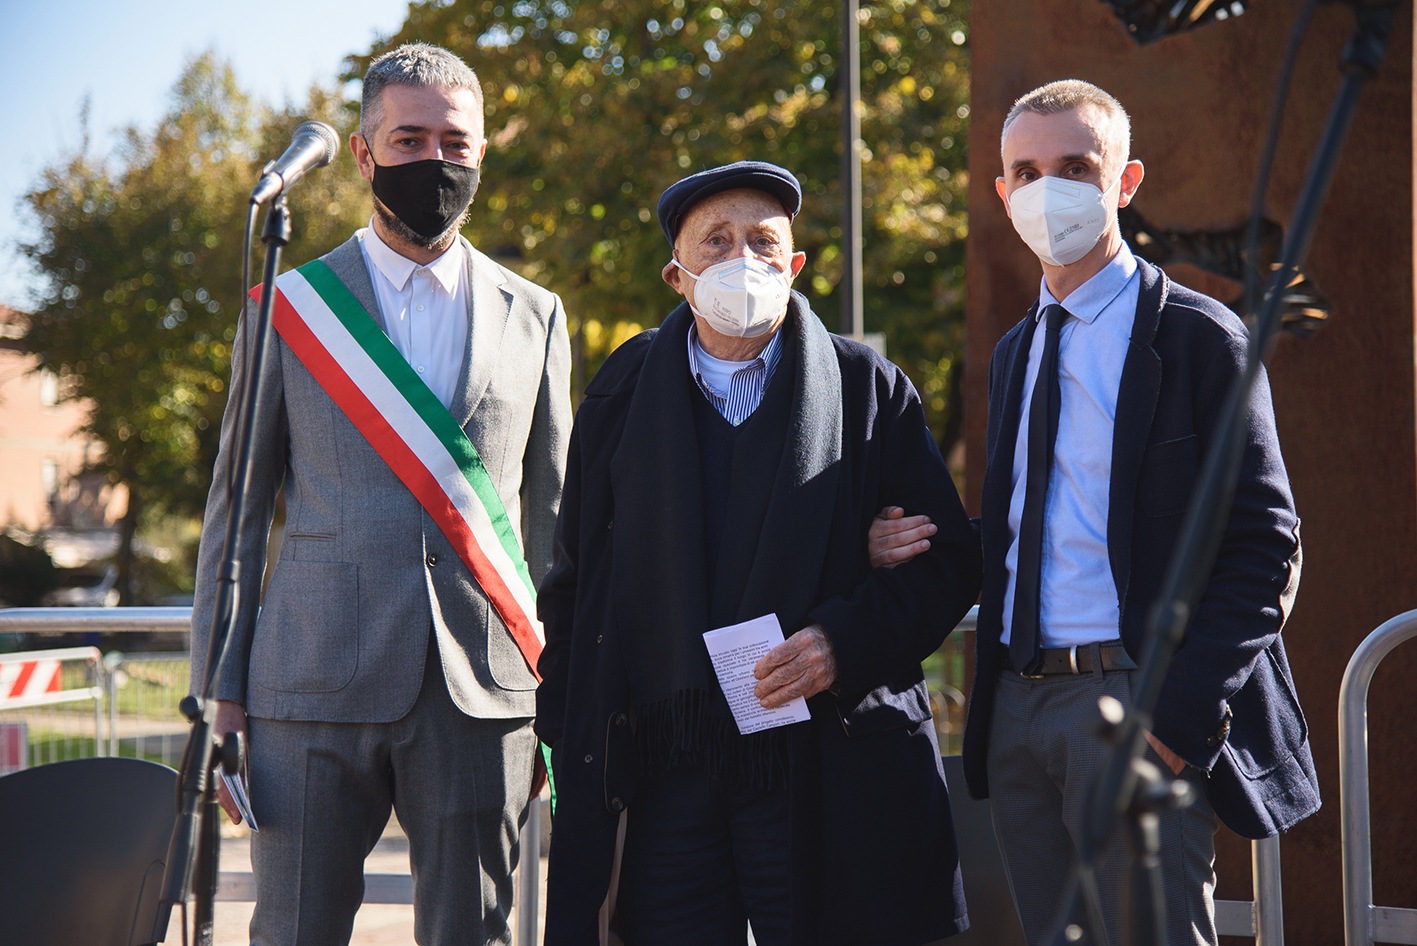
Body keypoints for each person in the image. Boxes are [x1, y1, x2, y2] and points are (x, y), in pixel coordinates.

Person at [533, 161, 983, 946]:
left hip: (824, 759)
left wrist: (838, 642)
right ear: (677, 275)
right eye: (716, 242)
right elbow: (575, 578)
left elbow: (944, 565)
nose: (742, 259)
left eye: (763, 242)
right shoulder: (621, 391)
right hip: (668, 764)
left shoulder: (866, 388)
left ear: (795, 265)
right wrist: (569, 734)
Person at [188, 43, 571, 946]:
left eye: (454, 143)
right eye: (408, 140)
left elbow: (554, 519)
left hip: (483, 690)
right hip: (308, 686)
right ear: (363, 155)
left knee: (469, 934)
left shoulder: (537, 313)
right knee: (291, 932)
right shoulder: (290, 305)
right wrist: (220, 690)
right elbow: (235, 513)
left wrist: (564, 688)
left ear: (480, 154)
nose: (432, 162)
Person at [954, 79, 1320, 945]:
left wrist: (1175, 721)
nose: (1050, 190)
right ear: (1003, 196)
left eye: (1075, 166)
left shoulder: (1198, 337)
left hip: (1130, 707)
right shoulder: (1016, 350)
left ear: (1125, 181)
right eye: (1027, 171)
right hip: (1017, 710)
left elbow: (1265, 545)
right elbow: (1027, 525)